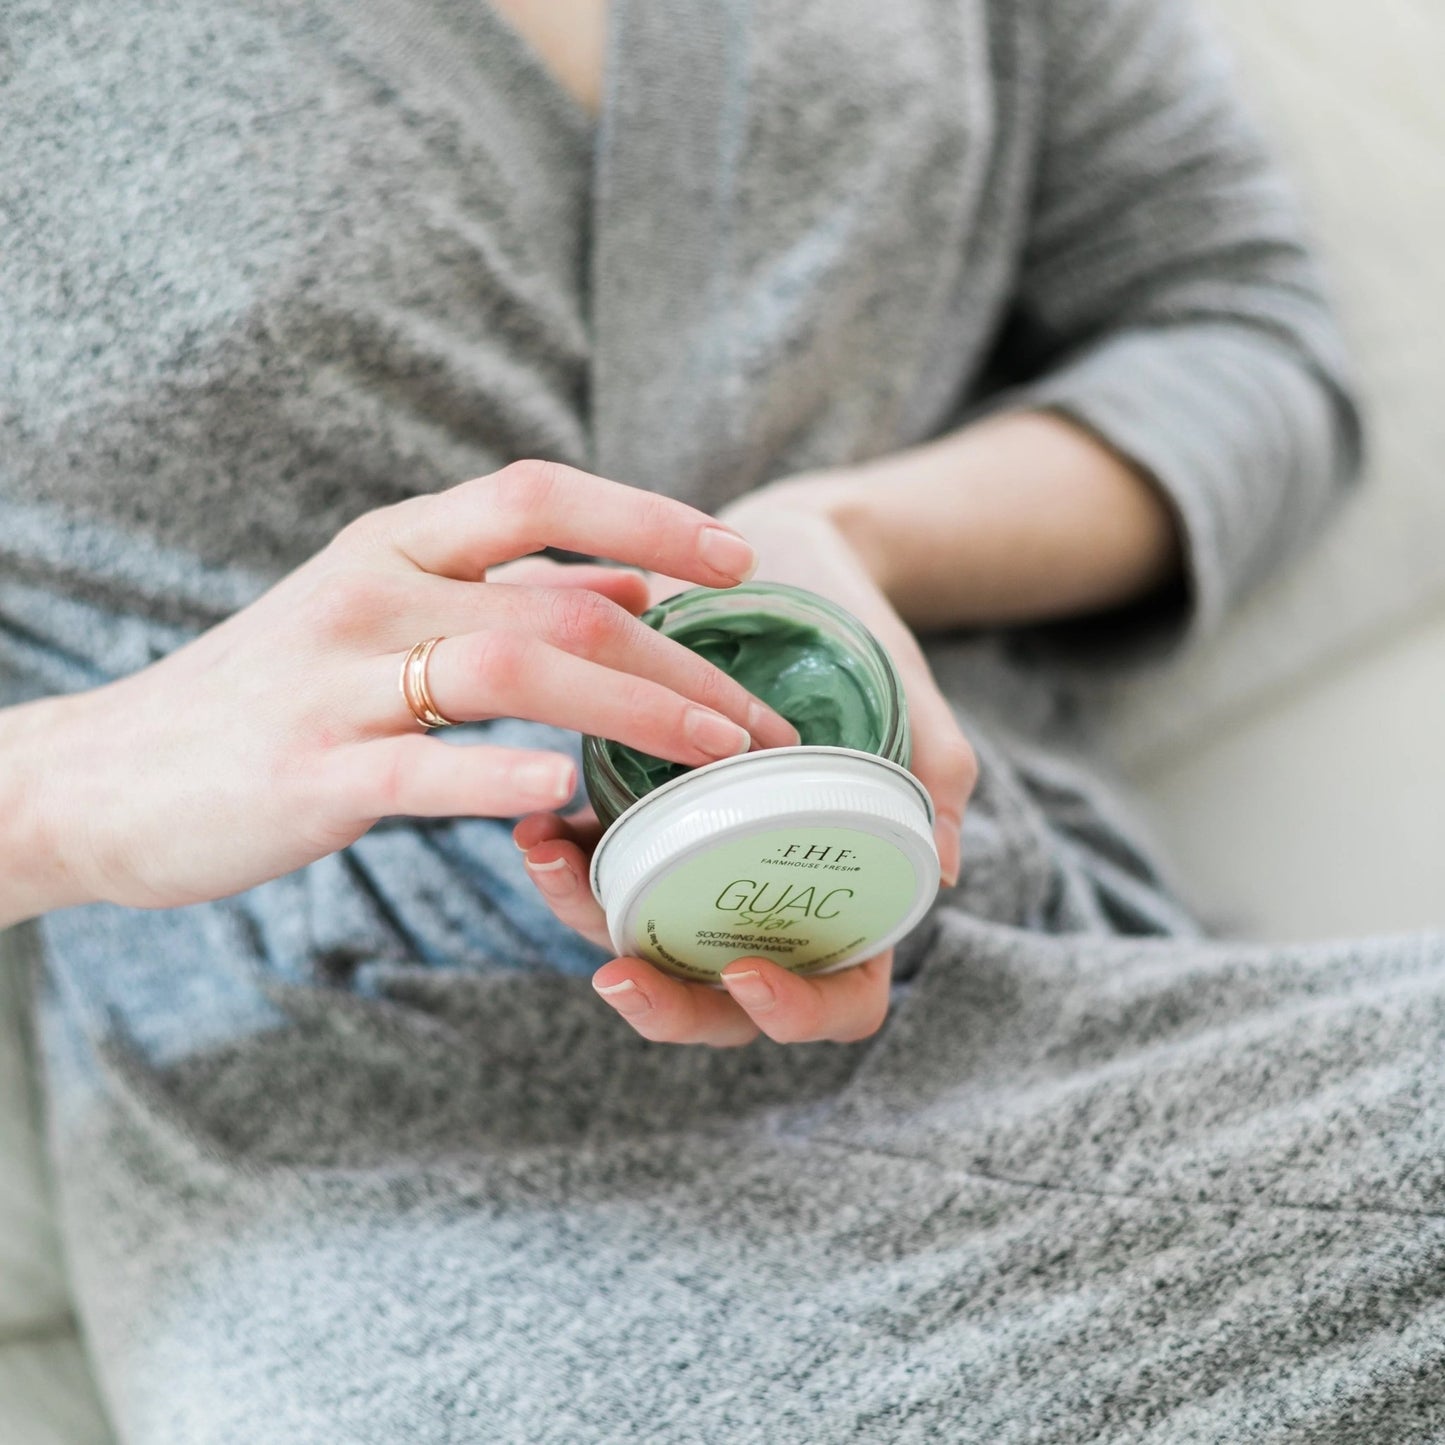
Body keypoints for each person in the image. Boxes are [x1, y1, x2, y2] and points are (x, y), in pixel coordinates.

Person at [4, 1, 1439, 1440]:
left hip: (1004, 952)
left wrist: (848, 528)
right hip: (366, 1135)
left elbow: (1243, 343)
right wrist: (68, 784)